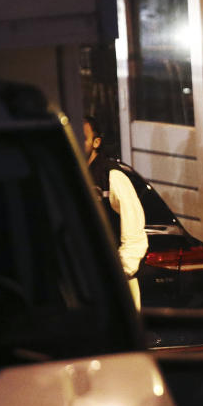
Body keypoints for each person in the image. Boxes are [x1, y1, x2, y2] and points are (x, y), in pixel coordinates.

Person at [83, 115, 149, 310]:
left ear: (96, 142)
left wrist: (120, 273)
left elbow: (134, 233)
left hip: (114, 284)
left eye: (83, 136)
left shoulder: (112, 176)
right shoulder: (71, 176)